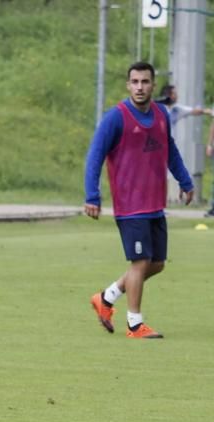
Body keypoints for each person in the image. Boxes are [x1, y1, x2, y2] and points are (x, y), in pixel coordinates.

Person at [84, 62, 194, 339]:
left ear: (153, 85)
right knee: (140, 261)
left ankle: (106, 298)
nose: (140, 87)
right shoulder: (115, 118)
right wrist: (92, 196)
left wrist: (185, 180)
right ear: (127, 84)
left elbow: (170, 150)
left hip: (155, 203)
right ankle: (135, 324)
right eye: (134, 82)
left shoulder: (161, 114)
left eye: (145, 82)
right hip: (130, 205)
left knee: (156, 264)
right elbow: (94, 157)